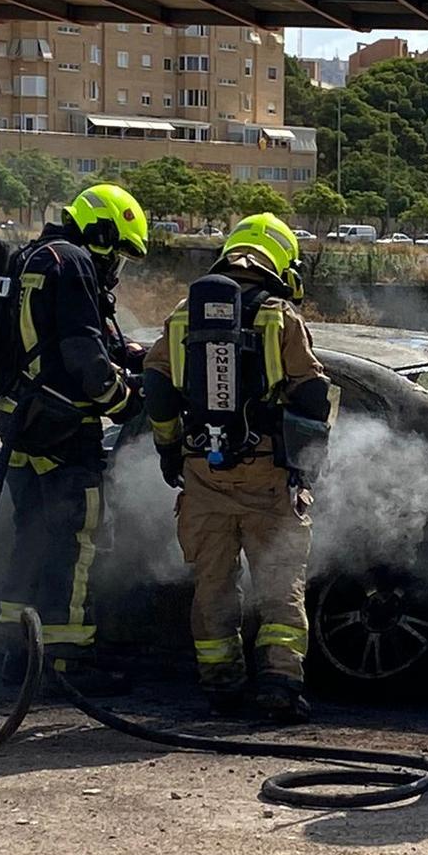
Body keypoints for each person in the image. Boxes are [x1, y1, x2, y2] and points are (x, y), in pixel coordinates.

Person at [142, 214, 331, 722]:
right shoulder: (279, 316)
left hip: (203, 472)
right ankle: (278, 684)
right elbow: (312, 394)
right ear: (278, 261)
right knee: (280, 582)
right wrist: (306, 468)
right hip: (267, 473)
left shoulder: (184, 315)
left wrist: (168, 448)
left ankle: (220, 682)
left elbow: (156, 386)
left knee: (214, 583)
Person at [0, 184, 151, 695]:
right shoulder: (77, 261)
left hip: (22, 425)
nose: (117, 267)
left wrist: (137, 355)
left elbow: (83, 338)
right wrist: (126, 402)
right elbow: (84, 356)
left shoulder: (34, 258)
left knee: (32, 540)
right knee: (76, 546)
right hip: (64, 433)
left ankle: (18, 657)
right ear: (102, 233)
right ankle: (68, 664)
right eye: (119, 252)